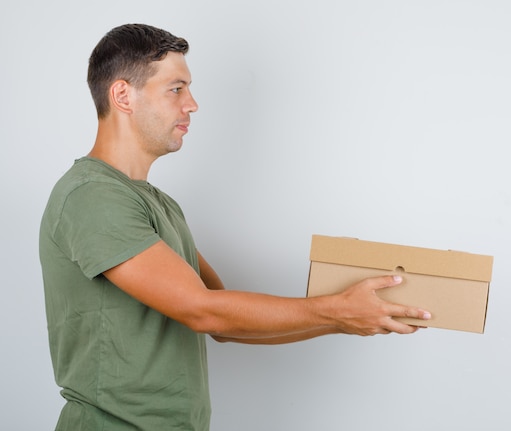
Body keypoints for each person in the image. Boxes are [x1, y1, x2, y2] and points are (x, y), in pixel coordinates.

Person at [39, 23, 431, 431]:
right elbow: (204, 312)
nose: (192, 104)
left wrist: (345, 318)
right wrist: (337, 310)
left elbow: (224, 318)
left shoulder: (159, 205)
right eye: (176, 89)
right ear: (123, 95)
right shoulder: (92, 196)